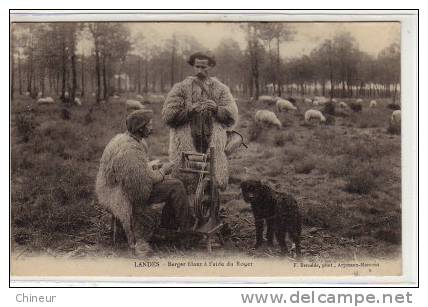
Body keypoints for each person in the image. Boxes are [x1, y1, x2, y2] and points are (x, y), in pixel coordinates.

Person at [95, 109, 193, 256]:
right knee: (176, 186)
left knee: (171, 183)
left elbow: (135, 171)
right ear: (141, 128)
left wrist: (151, 166)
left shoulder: (124, 140)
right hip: (122, 194)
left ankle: (168, 225)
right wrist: (163, 171)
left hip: (114, 187)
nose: (152, 127)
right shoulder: (130, 150)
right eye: (149, 125)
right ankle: (187, 233)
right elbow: (140, 189)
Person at [162, 51, 239, 191]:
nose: (200, 70)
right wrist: (189, 111)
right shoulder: (180, 88)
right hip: (188, 139)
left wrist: (216, 109)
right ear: (193, 66)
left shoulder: (221, 89)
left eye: (204, 67)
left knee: (212, 176)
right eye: (197, 66)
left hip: (211, 139)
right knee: (186, 176)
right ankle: (187, 204)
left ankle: (211, 205)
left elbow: (232, 115)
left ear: (210, 66)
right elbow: (168, 116)